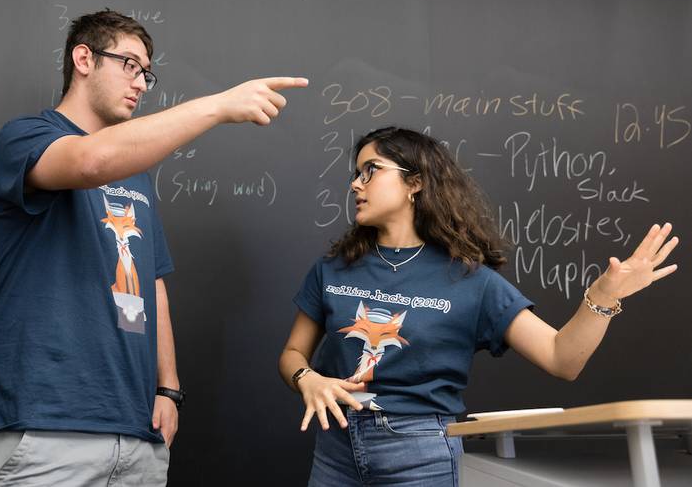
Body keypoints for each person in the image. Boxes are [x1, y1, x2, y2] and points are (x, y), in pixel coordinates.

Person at [0, 9, 307, 486]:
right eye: (129, 64)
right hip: (47, 430)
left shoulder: (135, 174)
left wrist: (168, 389)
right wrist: (216, 106)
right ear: (83, 58)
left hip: (136, 434)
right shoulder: (25, 139)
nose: (141, 83)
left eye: (146, 72)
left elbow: (151, 281)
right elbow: (90, 161)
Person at [278, 126, 678, 486]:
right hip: (334, 449)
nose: (355, 184)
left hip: (421, 454)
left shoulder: (472, 281)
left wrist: (605, 296)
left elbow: (562, 358)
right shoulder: (333, 269)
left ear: (414, 182)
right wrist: (307, 378)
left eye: (371, 170)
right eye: (355, 173)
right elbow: (292, 354)